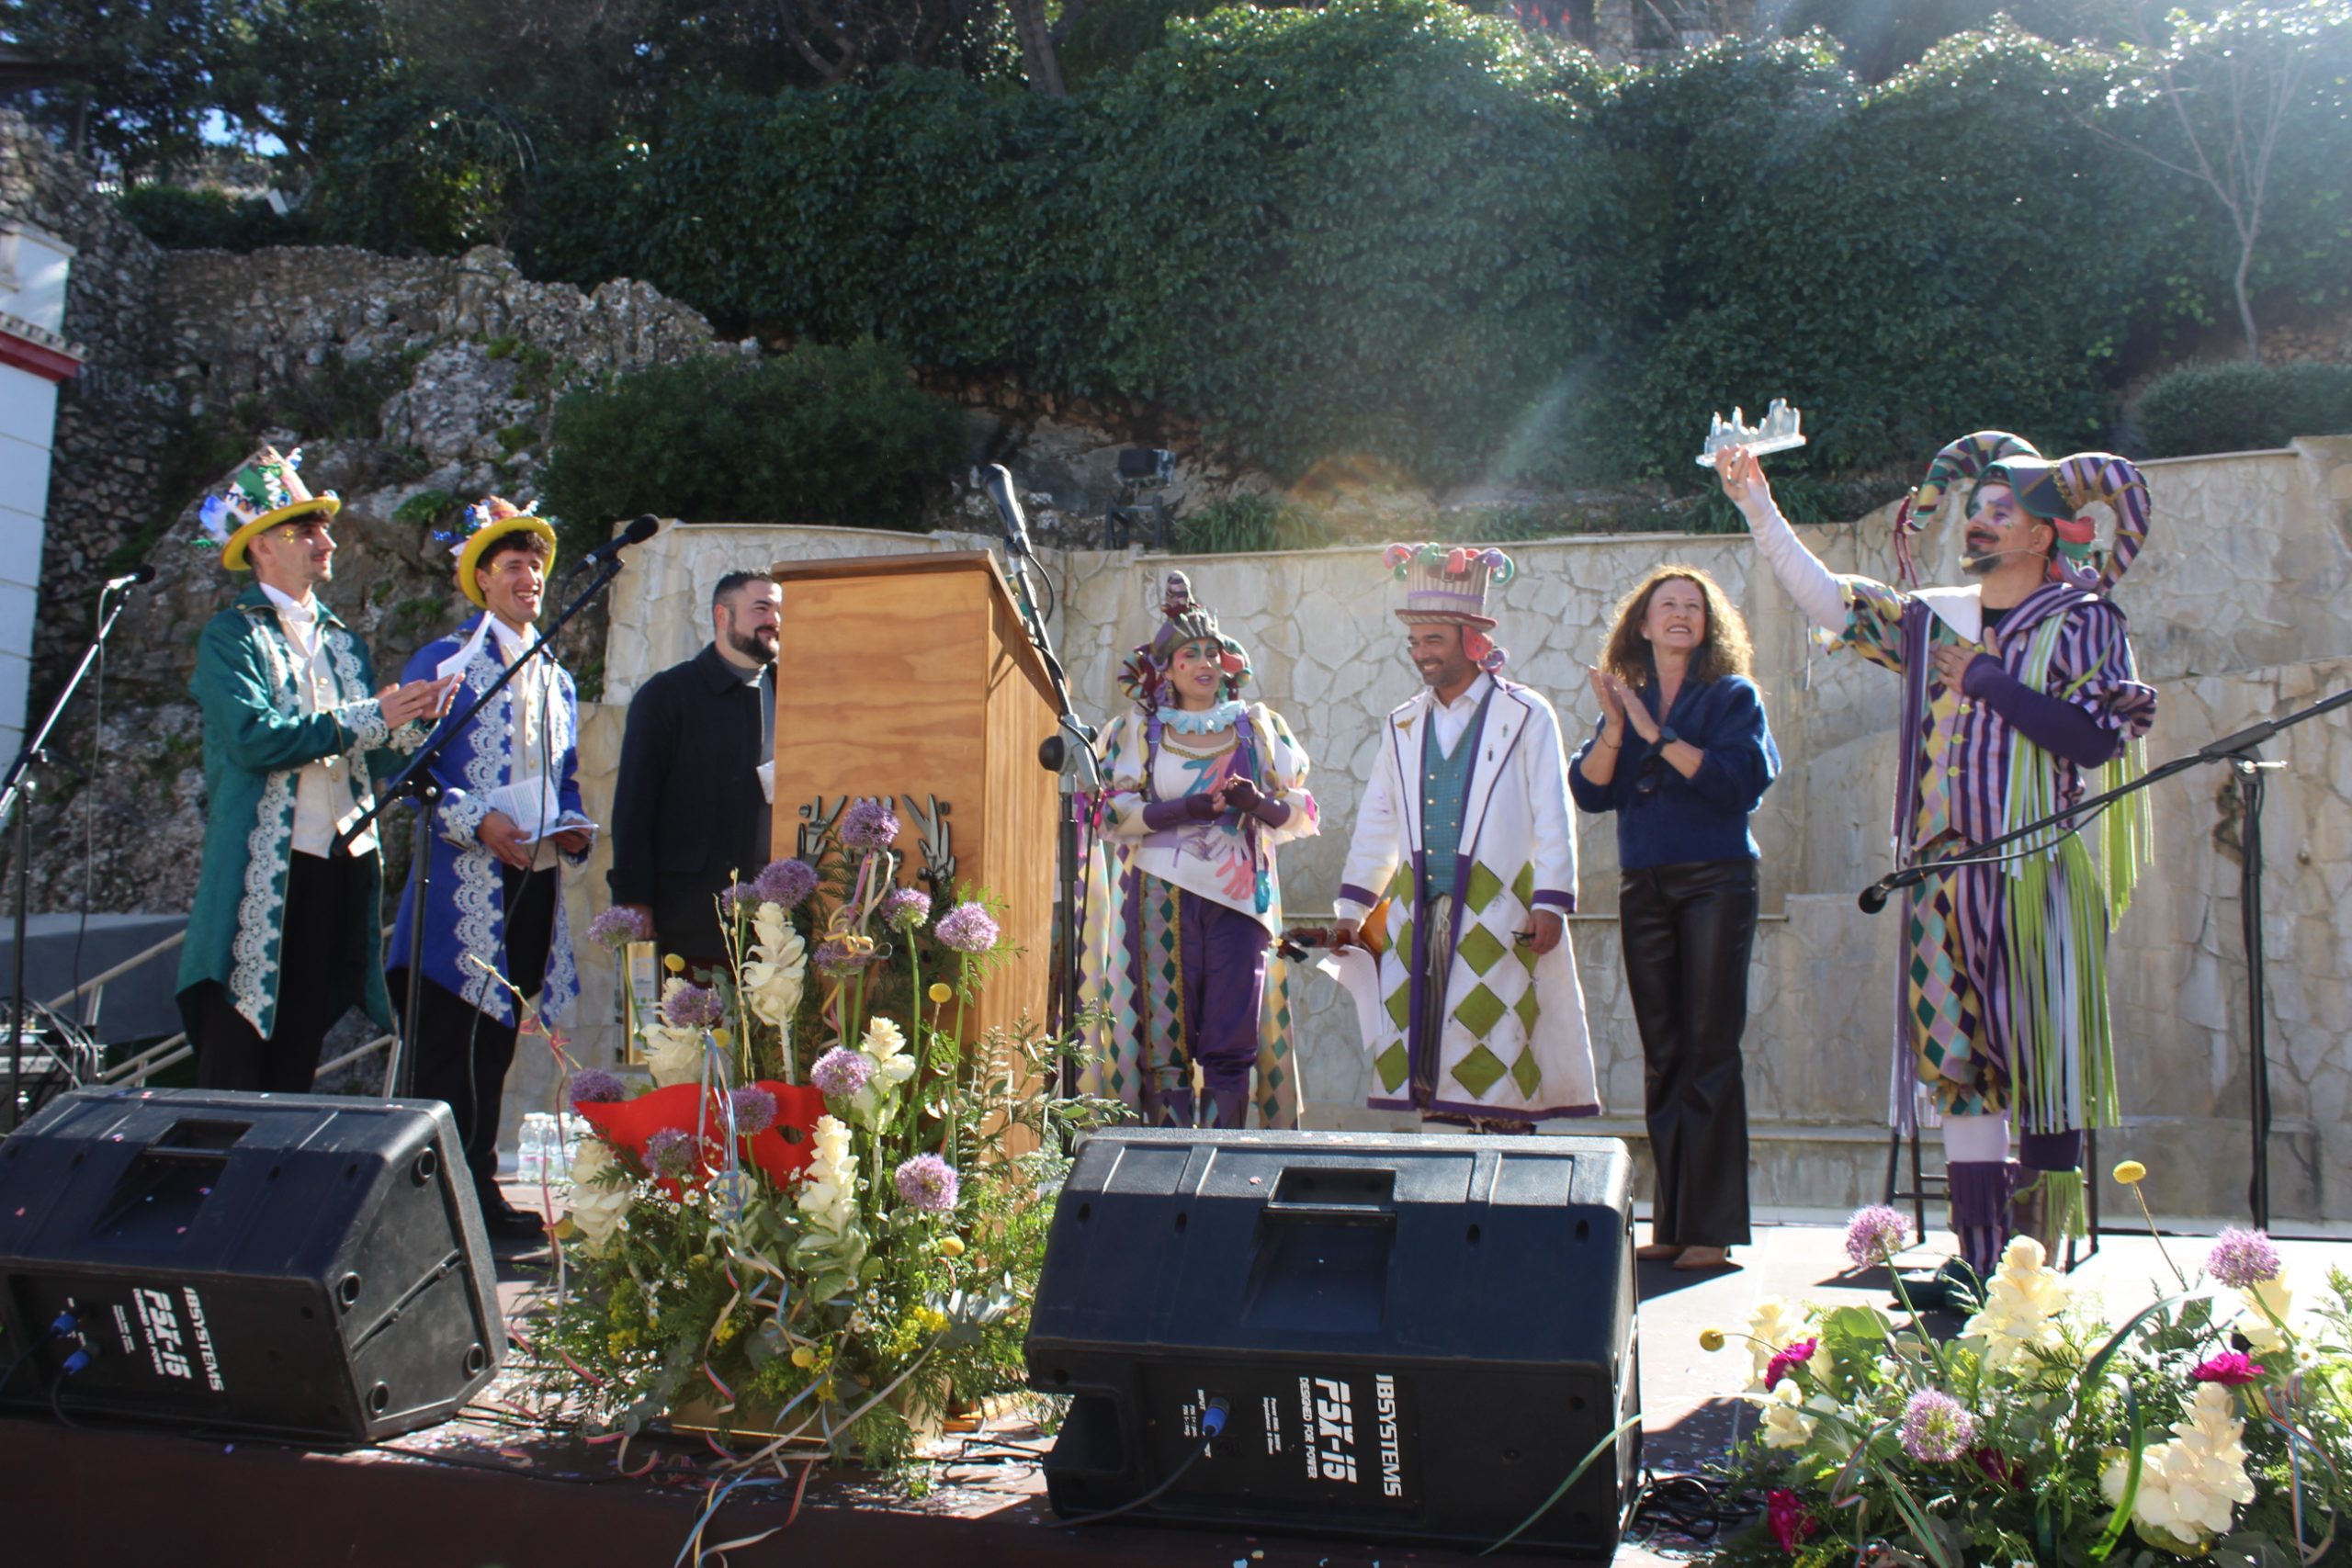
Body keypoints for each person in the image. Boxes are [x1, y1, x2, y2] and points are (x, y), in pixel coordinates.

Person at [1719, 433, 2155, 1298]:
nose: (1978, 522)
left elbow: (2095, 741)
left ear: (2045, 534)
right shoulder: (1935, 616)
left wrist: (1992, 683)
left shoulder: (2083, 621)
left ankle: (2032, 1277)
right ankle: (1976, 1263)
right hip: (1939, 879)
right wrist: (1757, 506)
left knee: (2045, 1065)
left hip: (2032, 871)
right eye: (1975, 508)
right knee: (1957, 1067)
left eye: (2000, 512)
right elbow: (1833, 600)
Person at [177, 446, 453, 1092]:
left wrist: (412, 720)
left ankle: (275, 1160)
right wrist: (368, 717)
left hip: (336, 862)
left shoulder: (343, 643)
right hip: (263, 865)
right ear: (261, 546)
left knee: (299, 1047)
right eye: (306, 530)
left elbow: (367, 755)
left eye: (322, 530)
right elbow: (253, 740)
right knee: (236, 1054)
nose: (326, 542)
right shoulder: (231, 637)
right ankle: (220, 1157)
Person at [1326, 544, 1600, 1129]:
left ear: (1472, 641)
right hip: (1418, 911)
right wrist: (1353, 909)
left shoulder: (1526, 713)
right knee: (1426, 1045)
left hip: (1502, 908)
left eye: (1434, 640)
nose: (1421, 653)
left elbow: (1553, 812)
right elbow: (1377, 819)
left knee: (1499, 1038)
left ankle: (1504, 1167)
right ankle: (1441, 1164)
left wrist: (1552, 901)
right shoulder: (1402, 723)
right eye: (1414, 642)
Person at [390, 498, 594, 1240]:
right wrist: (478, 819)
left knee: (496, 1048)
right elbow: (410, 771)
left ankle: (476, 1194)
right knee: (447, 1052)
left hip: (531, 879)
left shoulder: (558, 678)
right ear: (481, 578)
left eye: (536, 564)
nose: (529, 576)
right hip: (459, 892)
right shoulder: (444, 662)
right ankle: (427, 1212)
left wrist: (570, 823)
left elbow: (565, 776)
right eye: (513, 564)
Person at [1569, 566, 1778, 1270]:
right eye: (1668, 604)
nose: (1682, 613)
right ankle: (1675, 1220)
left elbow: (1737, 780)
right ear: (1644, 623)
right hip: (1645, 886)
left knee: (1709, 1048)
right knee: (1664, 1054)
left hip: (1716, 882)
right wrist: (1616, 727)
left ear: (1709, 624)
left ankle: (1712, 1229)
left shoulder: (1732, 695)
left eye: (1694, 605)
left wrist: (1656, 734)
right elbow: (1590, 791)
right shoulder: (1627, 699)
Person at [1081, 572, 1319, 1128]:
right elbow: (1108, 813)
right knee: (1164, 1040)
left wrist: (1256, 803)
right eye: (1190, 655)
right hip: (1159, 895)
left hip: (1240, 901)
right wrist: (1183, 809)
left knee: (1232, 1040)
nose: (1205, 663)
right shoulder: (1137, 730)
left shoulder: (1259, 727)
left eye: (1212, 652)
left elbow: (1302, 811)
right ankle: (1167, 1160)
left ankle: (1222, 1157)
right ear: (1166, 670)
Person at [607, 570, 783, 973]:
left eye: (778, 611)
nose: (774, 620)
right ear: (722, 615)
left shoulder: (797, 692)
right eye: (761, 608)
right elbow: (635, 806)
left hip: (780, 923)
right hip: (692, 919)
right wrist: (634, 900)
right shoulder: (667, 696)